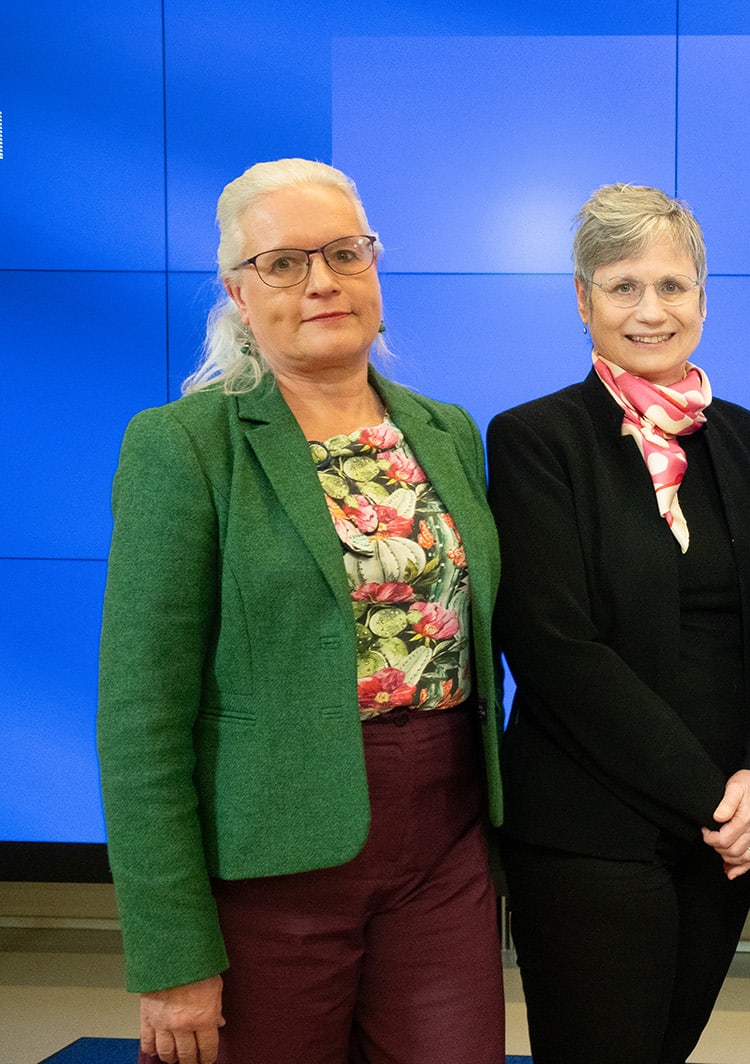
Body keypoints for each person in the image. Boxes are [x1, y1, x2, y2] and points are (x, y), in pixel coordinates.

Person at [97, 158, 505, 1064]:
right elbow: (139, 722)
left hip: (444, 851)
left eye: (344, 253)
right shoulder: (184, 447)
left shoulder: (446, 431)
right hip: (270, 870)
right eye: (282, 263)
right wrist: (172, 958)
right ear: (239, 295)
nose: (321, 281)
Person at [487, 183, 750, 1063]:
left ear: (703, 297)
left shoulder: (748, 439)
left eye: (672, 286)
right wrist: (711, 796)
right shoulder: (535, 438)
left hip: (729, 833)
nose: (650, 310)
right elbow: (552, 644)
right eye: (622, 287)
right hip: (591, 829)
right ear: (583, 301)